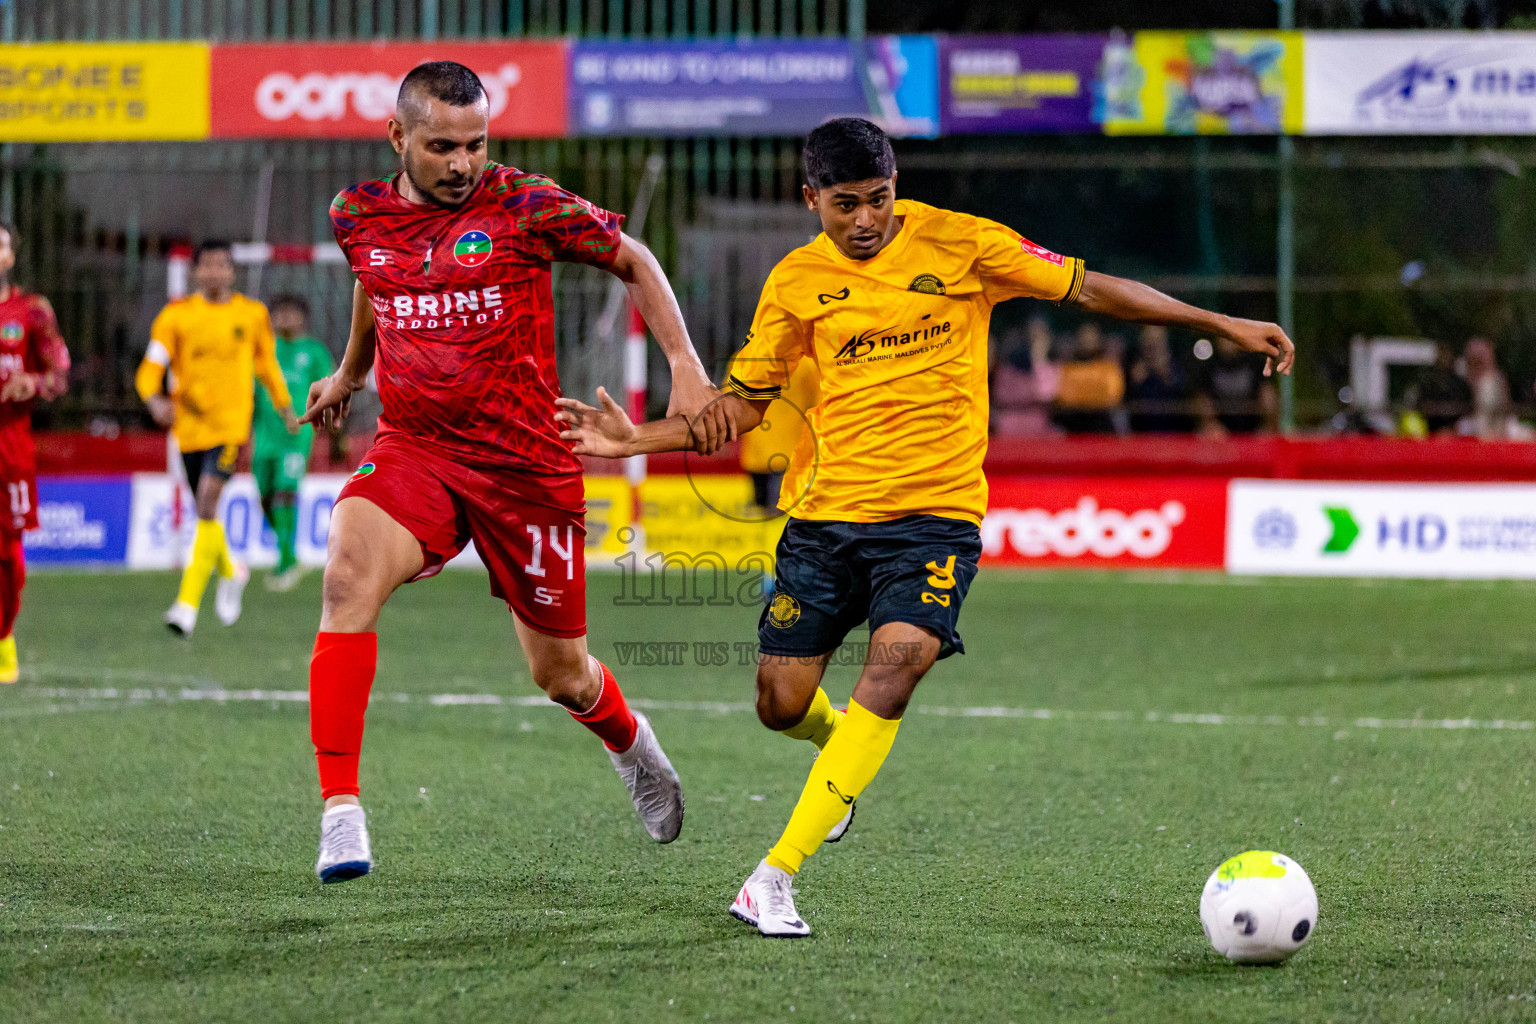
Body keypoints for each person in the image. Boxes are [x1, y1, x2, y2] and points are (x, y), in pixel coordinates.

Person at [557, 117, 1294, 937]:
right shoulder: (796, 282)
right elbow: (743, 407)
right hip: (827, 519)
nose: (866, 220)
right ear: (812, 201)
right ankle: (837, 752)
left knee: (896, 666)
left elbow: (1089, 287)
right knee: (778, 701)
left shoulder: (964, 245)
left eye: (878, 199)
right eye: (845, 206)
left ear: (895, 185)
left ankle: (772, 876)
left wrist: (1218, 324)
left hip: (936, 519)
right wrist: (638, 440)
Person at [298, 61, 729, 884]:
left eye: (476, 145)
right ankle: (341, 811)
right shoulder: (356, 213)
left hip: (525, 467)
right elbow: (374, 282)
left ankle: (630, 743)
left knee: (559, 672)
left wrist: (686, 365)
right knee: (347, 574)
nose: (463, 163)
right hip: (416, 448)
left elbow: (632, 257)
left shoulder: (523, 203)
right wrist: (353, 374)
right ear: (398, 138)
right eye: (441, 147)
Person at [134, 240, 296, 636]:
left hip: (229, 428)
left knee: (208, 501)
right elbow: (150, 369)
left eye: (221, 265)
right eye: (206, 266)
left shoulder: (252, 314)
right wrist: (154, 401)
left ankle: (186, 604)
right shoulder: (176, 316)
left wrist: (285, 407)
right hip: (188, 431)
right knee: (205, 513)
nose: (214, 273)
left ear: (232, 271)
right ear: (195, 272)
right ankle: (231, 569)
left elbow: (268, 365)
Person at [0, 222, 69, 683]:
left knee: (8, 553)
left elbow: (60, 373)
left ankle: (3, 639)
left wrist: (36, 382)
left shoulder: (32, 311)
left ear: (12, 254)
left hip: (10, 444)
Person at [252, 295, 334, 591]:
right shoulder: (263, 350)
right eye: (279, 313)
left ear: (303, 317)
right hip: (264, 435)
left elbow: (331, 389)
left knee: (285, 493)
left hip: (297, 434)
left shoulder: (313, 352)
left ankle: (286, 562)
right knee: (264, 496)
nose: (284, 318)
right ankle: (290, 554)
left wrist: (336, 433)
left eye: (290, 313)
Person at [1052, 321, 1126, 434]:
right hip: (1075, 424)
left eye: (1091, 335)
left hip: (1102, 423)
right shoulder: (1069, 368)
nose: (1087, 339)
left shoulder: (1109, 367)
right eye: (1084, 335)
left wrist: (1085, 397)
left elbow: (1113, 396)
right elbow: (1065, 397)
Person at [1195, 336, 1277, 437]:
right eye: (1222, 336)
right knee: (1210, 435)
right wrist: (1211, 423)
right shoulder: (1209, 366)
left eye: (1229, 337)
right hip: (1221, 430)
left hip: (1253, 427)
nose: (1226, 341)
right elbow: (1203, 400)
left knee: (1266, 435)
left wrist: (1268, 425)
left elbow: (1267, 395)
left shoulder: (1254, 363)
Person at [1125, 324, 1196, 433]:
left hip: (1173, 433)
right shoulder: (1132, 367)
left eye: (1157, 340)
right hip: (1140, 436)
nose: (1153, 345)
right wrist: (1133, 383)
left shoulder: (1177, 366)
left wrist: (1166, 376)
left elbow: (1187, 399)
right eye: (1149, 339)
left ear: (1164, 341)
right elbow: (1123, 404)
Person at [1404, 342, 1472, 436]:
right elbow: (1421, 406)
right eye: (1441, 355)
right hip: (1430, 428)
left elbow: (1468, 407)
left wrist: (1446, 410)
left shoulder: (1460, 383)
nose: (1444, 359)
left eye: (1446, 355)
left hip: (1456, 429)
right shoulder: (1428, 382)